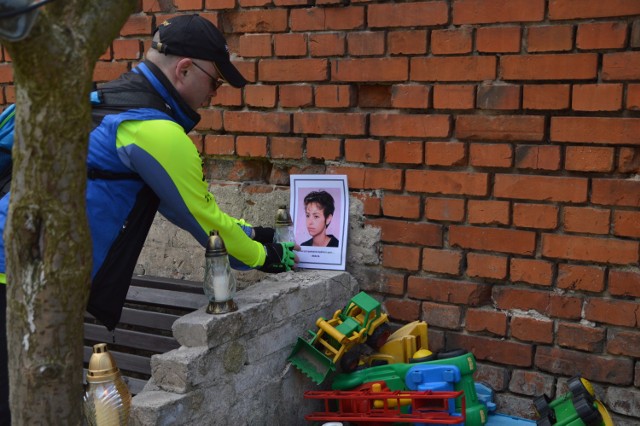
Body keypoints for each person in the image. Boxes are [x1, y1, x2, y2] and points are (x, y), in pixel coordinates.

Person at [0, 14, 298, 424]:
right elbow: (207, 225)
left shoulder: (106, 100)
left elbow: (180, 208)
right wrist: (269, 257)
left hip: (19, 268)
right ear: (184, 69)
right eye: (216, 82)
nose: (215, 94)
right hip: (19, 281)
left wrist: (257, 233)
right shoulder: (153, 129)